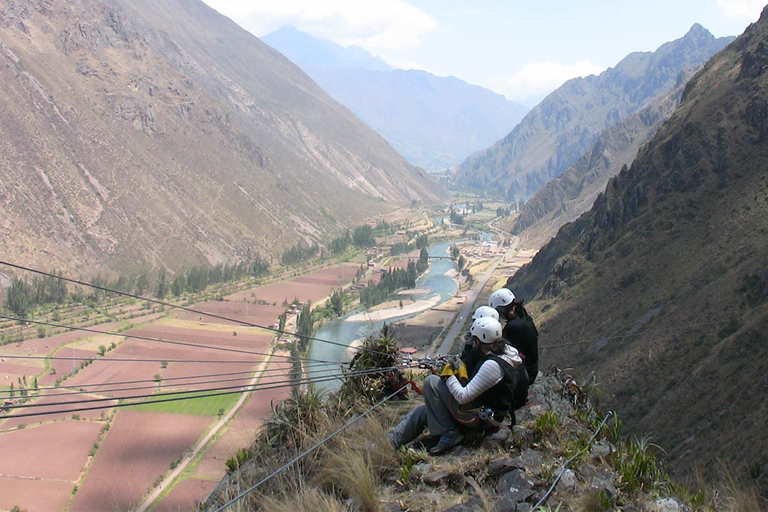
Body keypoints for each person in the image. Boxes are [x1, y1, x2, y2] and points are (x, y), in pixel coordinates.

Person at [387, 317, 524, 455]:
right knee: (422, 412)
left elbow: (463, 397)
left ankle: (449, 434)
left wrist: (449, 376)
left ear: (478, 341)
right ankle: (389, 442)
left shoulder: (493, 365)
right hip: (484, 411)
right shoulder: (505, 353)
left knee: (431, 382)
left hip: (483, 418)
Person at [490, 288, 539, 384]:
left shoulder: (513, 327)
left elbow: (499, 348)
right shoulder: (522, 316)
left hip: (524, 376)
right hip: (529, 370)